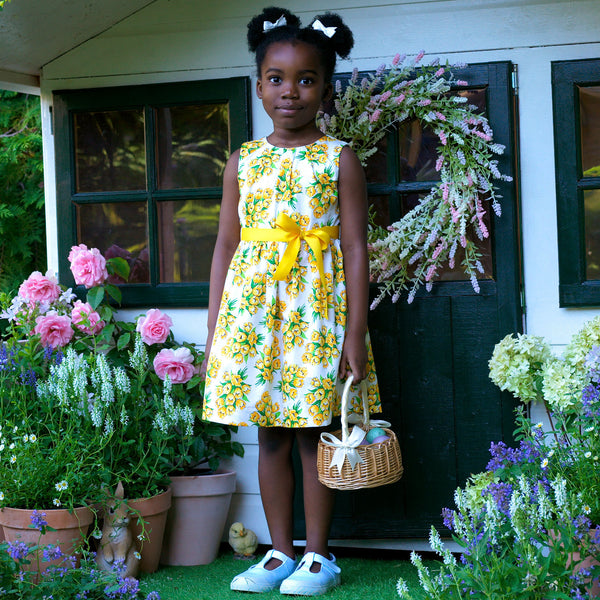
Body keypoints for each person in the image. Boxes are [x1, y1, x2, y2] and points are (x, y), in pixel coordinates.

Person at [201, 6, 381, 596]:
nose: (290, 92)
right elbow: (226, 247)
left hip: (315, 313)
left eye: (306, 80)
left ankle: (319, 557)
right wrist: (215, 332)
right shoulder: (243, 162)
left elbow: (355, 247)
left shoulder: (339, 159)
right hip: (252, 318)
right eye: (276, 78)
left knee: (312, 433)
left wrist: (355, 331)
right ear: (258, 85)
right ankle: (279, 553)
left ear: (326, 89)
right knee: (270, 433)